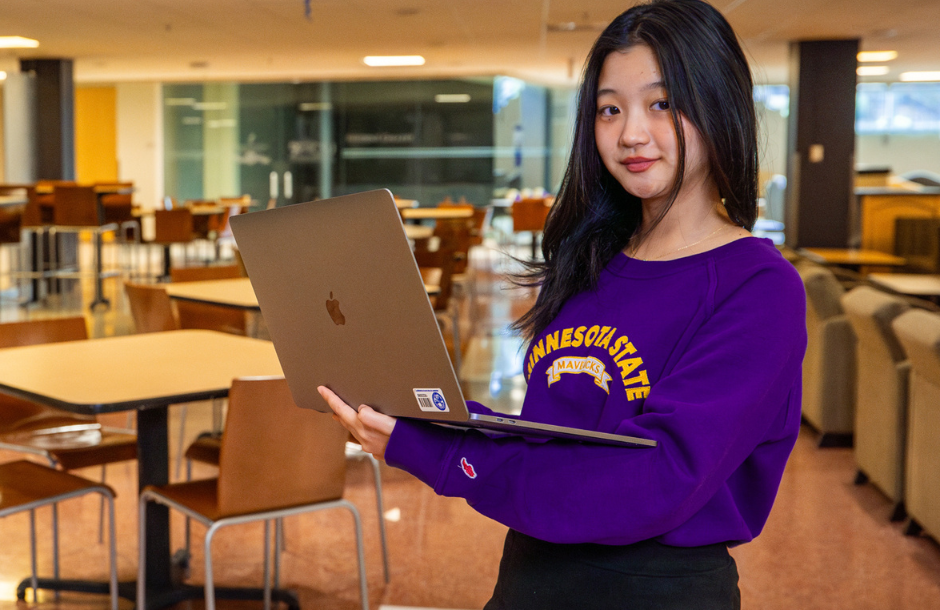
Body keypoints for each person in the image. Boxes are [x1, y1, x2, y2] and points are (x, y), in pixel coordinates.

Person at [320, 1, 806, 608]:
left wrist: (439, 451)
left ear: (718, 104)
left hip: (654, 589)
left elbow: (653, 481)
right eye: (610, 109)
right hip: (532, 569)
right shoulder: (590, 260)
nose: (631, 132)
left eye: (661, 103)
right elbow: (554, 439)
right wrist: (422, 412)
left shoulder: (757, 286)